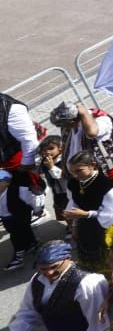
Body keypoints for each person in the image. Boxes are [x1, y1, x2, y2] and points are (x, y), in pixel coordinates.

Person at [5, 241, 108, 331]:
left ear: (68, 259)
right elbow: (28, 311)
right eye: (43, 269)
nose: (48, 273)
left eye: (54, 267)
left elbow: (97, 324)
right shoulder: (37, 280)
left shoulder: (86, 283)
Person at [0, 90, 41, 269]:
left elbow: (29, 140)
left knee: (13, 211)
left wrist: (25, 166)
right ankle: (27, 243)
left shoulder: (10, 108)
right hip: (5, 170)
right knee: (8, 212)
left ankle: (23, 246)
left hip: (15, 169)